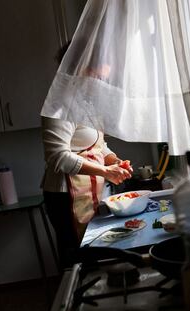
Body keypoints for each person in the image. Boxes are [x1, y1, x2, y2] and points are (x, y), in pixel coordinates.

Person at [41, 43, 133, 269]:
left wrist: (114, 161)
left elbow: (97, 145)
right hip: (65, 197)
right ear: (80, 68)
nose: (102, 83)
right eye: (98, 77)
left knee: (91, 252)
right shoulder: (59, 104)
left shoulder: (87, 102)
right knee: (76, 258)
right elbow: (58, 157)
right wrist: (105, 171)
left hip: (86, 190)